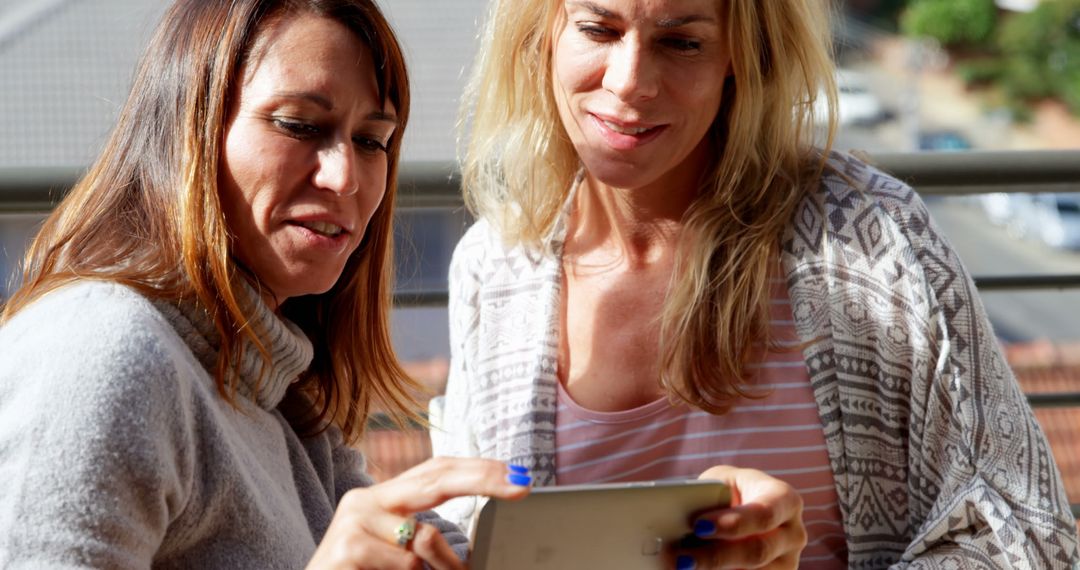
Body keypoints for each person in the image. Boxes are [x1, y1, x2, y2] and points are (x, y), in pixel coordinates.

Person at [430, 0, 1080, 567]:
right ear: (544, 29)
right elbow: (467, 533)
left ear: (742, 53)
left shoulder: (871, 240)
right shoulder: (494, 266)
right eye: (599, 29)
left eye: (682, 42)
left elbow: (1033, 538)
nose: (630, 83)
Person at [0, 0, 533, 568]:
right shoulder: (103, 349)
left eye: (372, 141)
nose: (345, 177)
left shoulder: (283, 399)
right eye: (300, 126)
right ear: (191, 127)